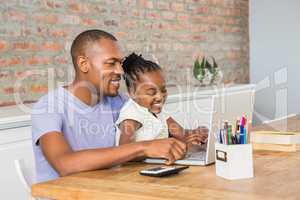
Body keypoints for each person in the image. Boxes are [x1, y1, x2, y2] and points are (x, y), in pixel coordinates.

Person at [31, 29, 187, 183]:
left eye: (120, 63)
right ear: (84, 64)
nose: (120, 71)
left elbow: (155, 124)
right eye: (111, 63)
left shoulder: (119, 102)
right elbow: (65, 164)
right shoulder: (48, 107)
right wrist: (144, 147)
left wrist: (188, 137)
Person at [116, 53, 208, 147]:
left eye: (163, 90)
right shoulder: (132, 115)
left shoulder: (158, 112)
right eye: (151, 93)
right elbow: (124, 149)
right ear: (132, 93)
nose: (160, 97)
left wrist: (196, 133)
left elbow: (181, 134)